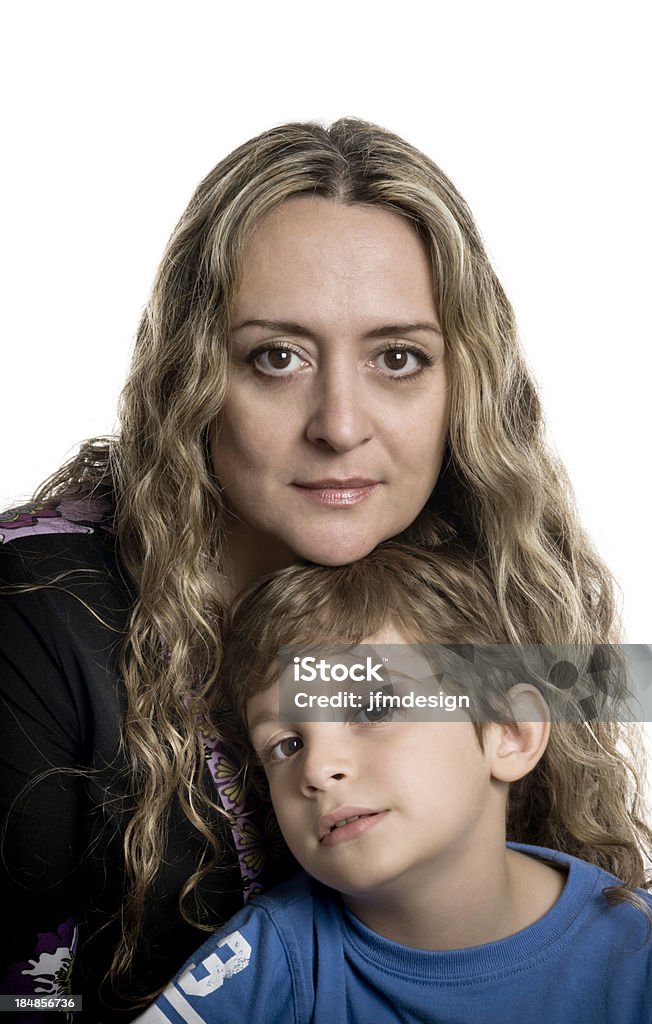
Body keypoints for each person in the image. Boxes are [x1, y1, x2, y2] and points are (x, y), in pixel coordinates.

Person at [1, 119, 619, 1019]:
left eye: (397, 358)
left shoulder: (499, 581)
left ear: (465, 388)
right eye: (276, 357)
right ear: (194, 377)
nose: (337, 423)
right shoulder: (38, 614)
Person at [135, 543, 652, 1024]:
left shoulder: (639, 950)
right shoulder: (266, 960)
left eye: (374, 710)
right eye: (288, 744)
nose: (317, 768)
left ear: (510, 734)